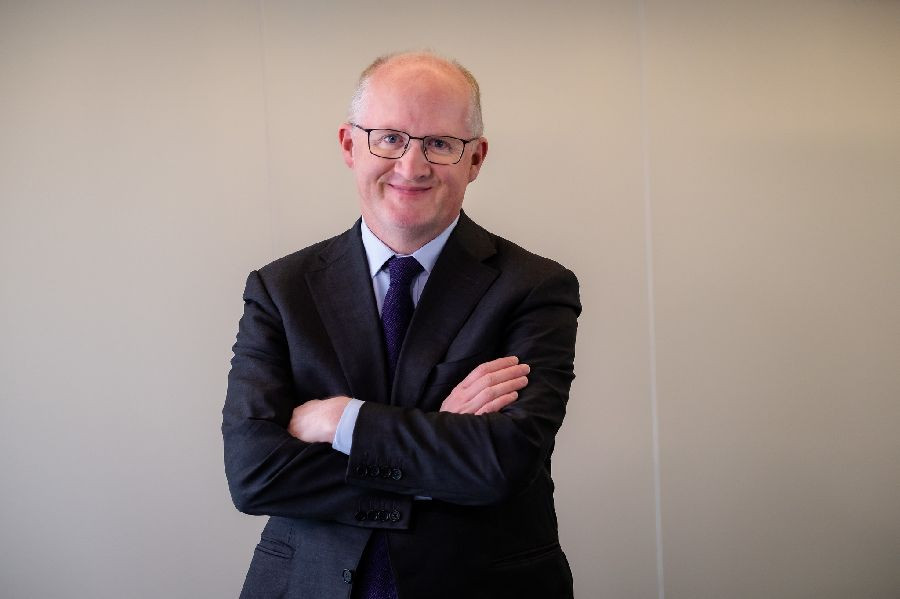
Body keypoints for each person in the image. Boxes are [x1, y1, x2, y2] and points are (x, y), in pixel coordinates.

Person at [223, 51, 580, 599]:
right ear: (349, 145)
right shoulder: (280, 289)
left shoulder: (535, 288)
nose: (412, 167)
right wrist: (440, 444)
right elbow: (255, 473)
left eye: (440, 143)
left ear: (476, 158)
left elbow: (500, 465)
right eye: (389, 138)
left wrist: (342, 421)